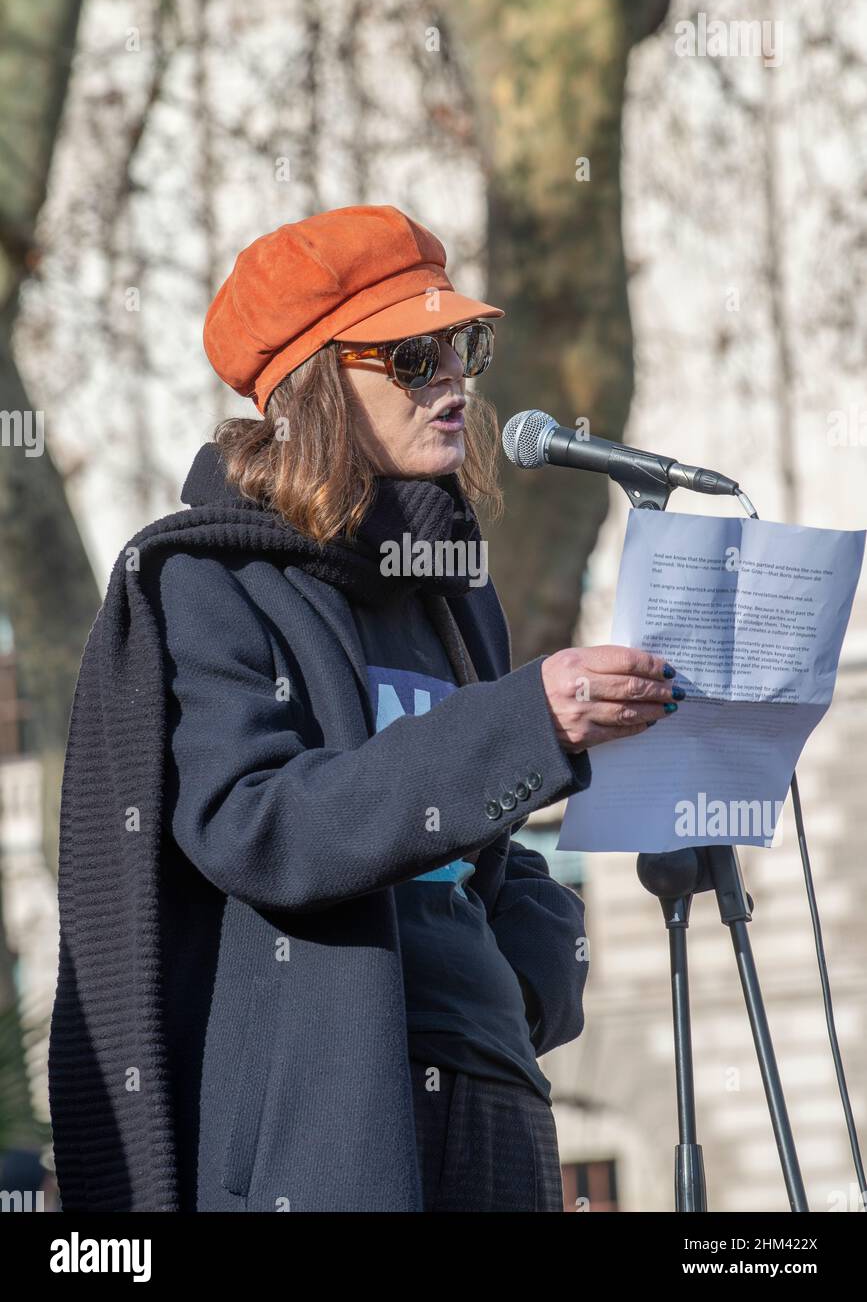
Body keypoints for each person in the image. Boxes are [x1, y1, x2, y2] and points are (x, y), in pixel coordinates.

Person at [48, 204, 681, 1213]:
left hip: (496, 1100)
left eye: (463, 348)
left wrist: (514, 989)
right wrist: (530, 719)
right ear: (312, 388)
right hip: (333, 1134)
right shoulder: (209, 577)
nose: (454, 385)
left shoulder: (452, 587)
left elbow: (492, 853)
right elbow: (258, 825)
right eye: (411, 358)